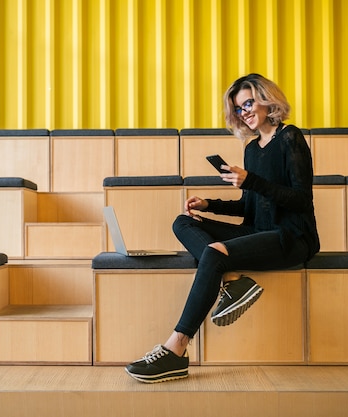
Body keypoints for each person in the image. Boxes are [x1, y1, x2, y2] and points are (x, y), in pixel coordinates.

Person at [125, 73, 320, 383]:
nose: (245, 113)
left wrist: (251, 181)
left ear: (267, 100)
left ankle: (176, 348)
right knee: (184, 222)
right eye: (239, 109)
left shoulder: (290, 137)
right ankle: (233, 283)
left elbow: (300, 199)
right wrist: (209, 205)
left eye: (248, 103)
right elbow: (249, 207)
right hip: (258, 232)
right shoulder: (252, 149)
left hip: (291, 237)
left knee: (215, 254)